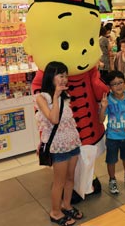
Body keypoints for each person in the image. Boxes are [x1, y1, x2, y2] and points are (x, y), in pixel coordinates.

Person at [35, 61, 82, 225]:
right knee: (59, 182)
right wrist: (55, 96)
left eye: (66, 76)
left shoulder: (65, 97)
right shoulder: (42, 98)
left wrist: (59, 96)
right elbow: (53, 119)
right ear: (51, 76)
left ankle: (66, 205)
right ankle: (55, 212)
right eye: (60, 76)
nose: (64, 79)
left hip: (72, 143)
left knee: (70, 178)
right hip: (58, 147)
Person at [99, 70, 125, 195]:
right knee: (111, 160)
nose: (118, 86)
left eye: (120, 82)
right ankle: (112, 179)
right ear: (110, 87)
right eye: (114, 84)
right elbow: (101, 120)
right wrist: (103, 107)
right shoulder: (108, 100)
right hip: (112, 137)